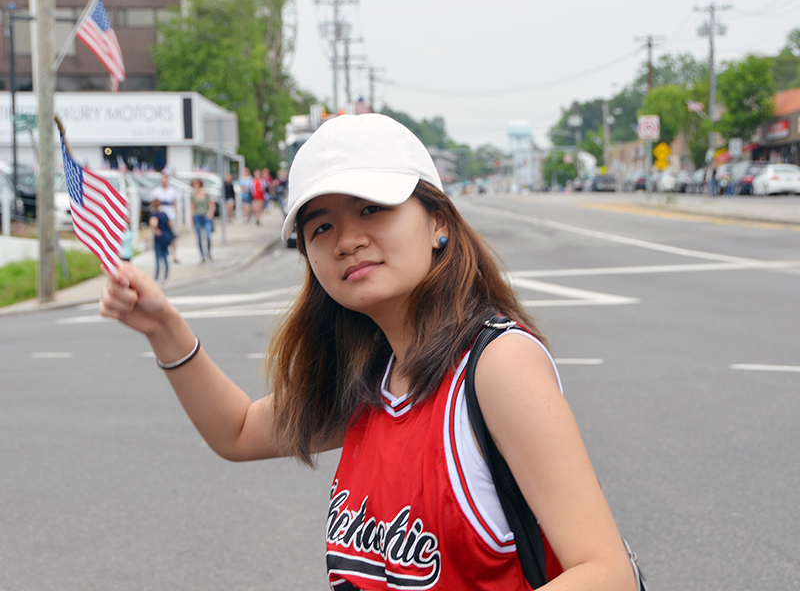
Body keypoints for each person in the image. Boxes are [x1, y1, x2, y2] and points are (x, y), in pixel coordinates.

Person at [98, 114, 636, 591]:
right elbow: (236, 432)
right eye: (322, 225)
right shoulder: (370, 379)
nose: (346, 239)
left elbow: (605, 572)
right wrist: (163, 327)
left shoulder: (497, 365)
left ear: (439, 222)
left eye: (372, 208)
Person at [152, 173, 180, 263]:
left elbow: (175, 203)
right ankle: (164, 252)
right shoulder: (156, 191)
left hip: (170, 215)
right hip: (160, 217)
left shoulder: (172, 191)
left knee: (173, 236)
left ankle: (174, 254)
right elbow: (154, 204)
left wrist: (175, 215)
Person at [189, 178, 215, 262]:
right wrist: (191, 218)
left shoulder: (206, 195)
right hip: (197, 217)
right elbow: (192, 208)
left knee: (207, 236)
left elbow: (211, 205)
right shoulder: (193, 197)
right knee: (199, 238)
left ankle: (209, 253)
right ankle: (202, 256)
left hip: (205, 217)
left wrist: (210, 214)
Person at [148, 198, 173, 282]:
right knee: (165, 257)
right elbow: (170, 224)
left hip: (159, 238)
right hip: (167, 237)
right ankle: (166, 276)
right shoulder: (164, 214)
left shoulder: (154, 215)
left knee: (158, 259)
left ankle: (157, 277)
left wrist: (155, 230)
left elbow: (153, 224)